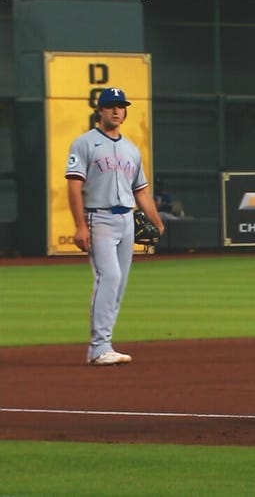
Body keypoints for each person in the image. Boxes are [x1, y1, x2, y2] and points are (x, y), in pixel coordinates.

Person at [66, 87, 165, 366]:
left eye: (121, 106)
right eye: (111, 106)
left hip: (126, 220)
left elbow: (141, 192)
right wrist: (79, 226)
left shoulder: (131, 149)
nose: (116, 110)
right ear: (100, 110)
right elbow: (74, 187)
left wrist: (157, 222)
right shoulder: (84, 143)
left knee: (118, 284)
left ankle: (104, 344)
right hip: (99, 219)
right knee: (108, 277)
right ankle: (98, 348)